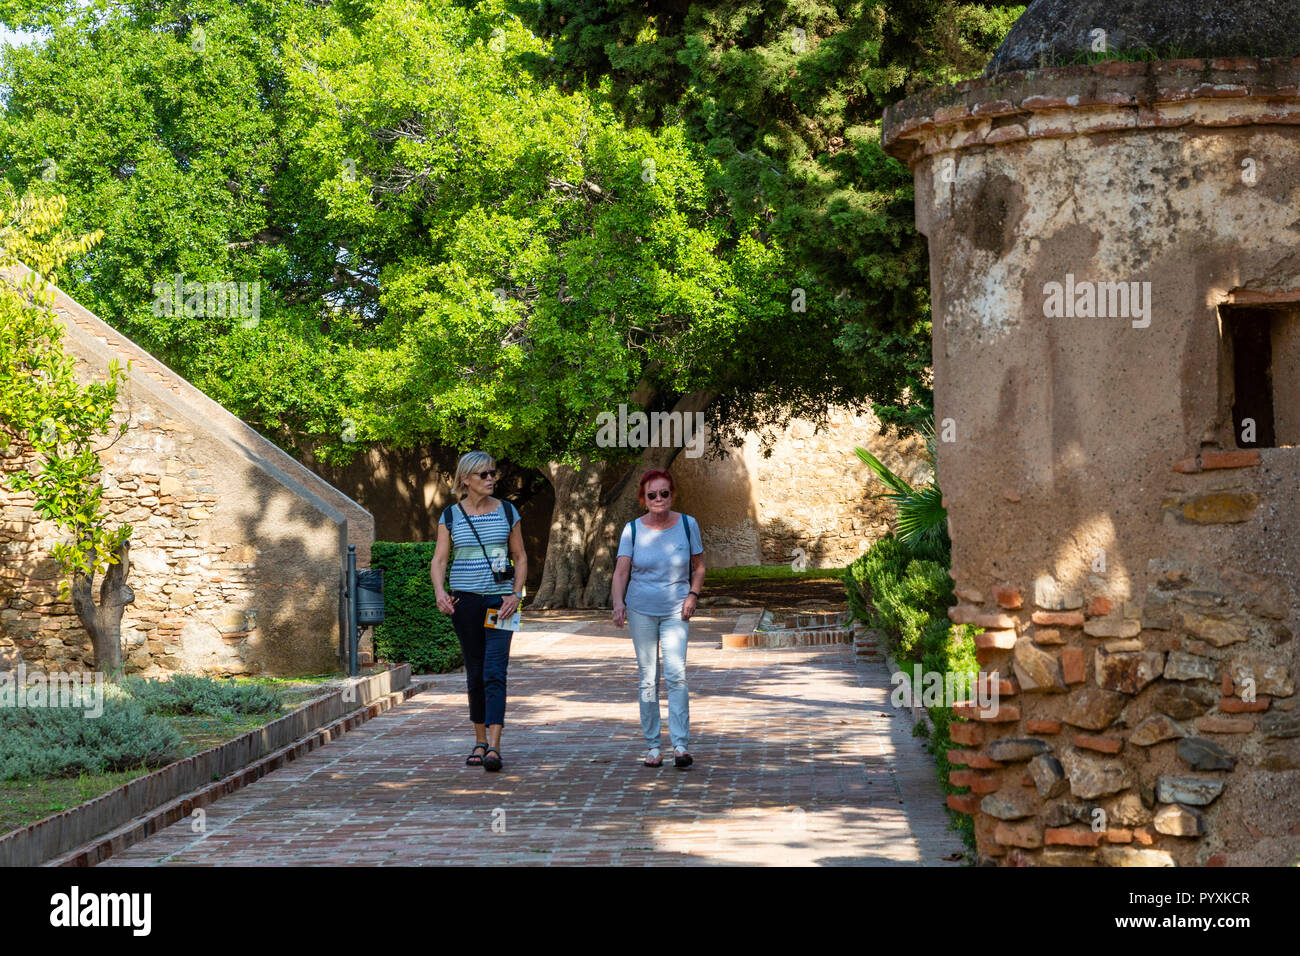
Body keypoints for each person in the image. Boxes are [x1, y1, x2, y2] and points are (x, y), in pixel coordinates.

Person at [431, 451, 526, 772]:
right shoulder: (451, 516)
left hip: (502, 602)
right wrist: (440, 592)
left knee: (495, 671)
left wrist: (516, 594)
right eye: (483, 474)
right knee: (474, 671)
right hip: (465, 602)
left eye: (492, 473)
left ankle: (495, 747)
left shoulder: (508, 511)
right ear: (465, 480)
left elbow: (521, 557)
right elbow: (440, 560)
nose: (490, 479)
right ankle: (479, 739)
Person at [610, 468, 705, 768]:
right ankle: (653, 746)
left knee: (676, 674)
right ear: (644, 498)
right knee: (648, 676)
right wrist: (618, 603)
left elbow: (699, 567)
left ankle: (680, 745)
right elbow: (621, 571)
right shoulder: (633, 530)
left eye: (664, 493)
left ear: (671, 494)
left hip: (677, 609)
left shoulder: (688, 525)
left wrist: (693, 595)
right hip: (641, 609)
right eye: (652, 495)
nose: (659, 499)